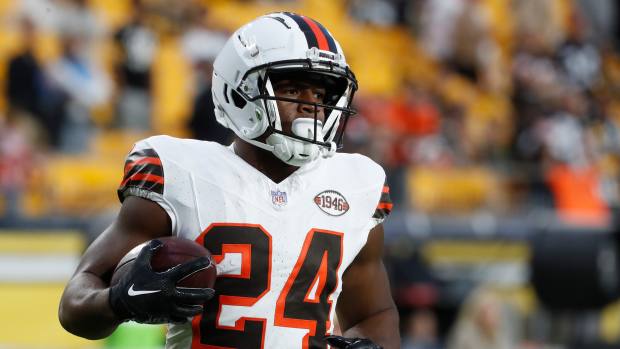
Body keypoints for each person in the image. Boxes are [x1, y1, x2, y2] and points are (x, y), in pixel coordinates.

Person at [59, 12, 400, 349]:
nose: (312, 106)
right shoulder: (182, 172)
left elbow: (374, 313)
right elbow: (75, 303)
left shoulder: (354, 185)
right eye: (294, 89)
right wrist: (119, 301)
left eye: (321, 95)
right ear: (240, 93)